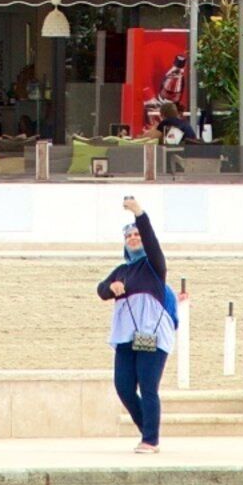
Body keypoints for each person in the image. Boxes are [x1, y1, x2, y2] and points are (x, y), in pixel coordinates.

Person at [97, 194, 176, 453]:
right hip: (126, 338)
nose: (133, 238)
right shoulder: (121, 270)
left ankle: (150, 440)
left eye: (136, 235)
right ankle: (148, 430)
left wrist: (138, 213)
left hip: (151, 336)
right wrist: (112, 286)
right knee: (123, 387)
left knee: (148, 386)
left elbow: (151, 239)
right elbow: (101, 290)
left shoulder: (154, 266)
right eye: (128, 236)